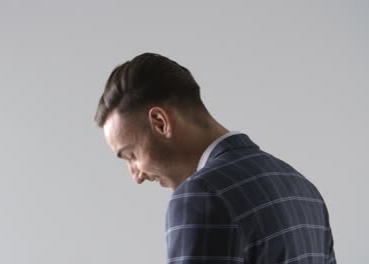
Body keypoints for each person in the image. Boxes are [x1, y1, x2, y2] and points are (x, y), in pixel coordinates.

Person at [94, 52, 336, 264]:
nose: (136, 176)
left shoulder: (201, 195)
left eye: (131, 155)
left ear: (160, 122)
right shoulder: (303, 188)